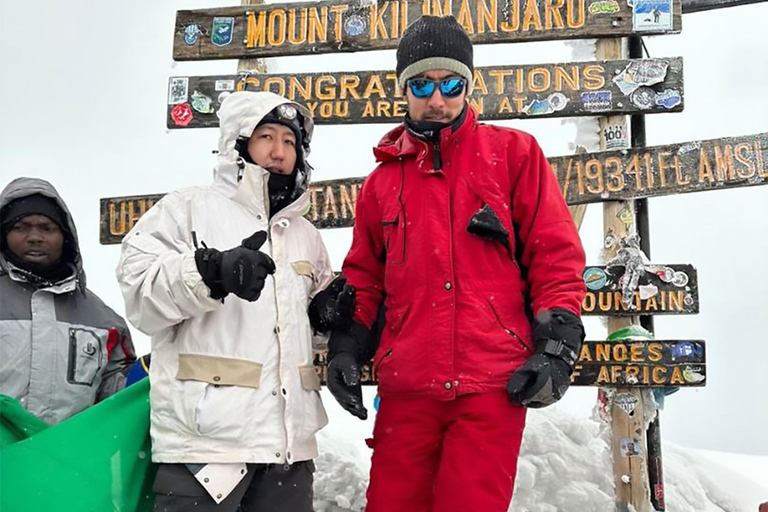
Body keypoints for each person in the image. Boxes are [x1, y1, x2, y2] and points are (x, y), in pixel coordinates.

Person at [325, 16, 587, 512]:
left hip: (490, 386)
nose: (437, 99)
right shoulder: (381, 183)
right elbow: (365, 278)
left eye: (450, 84)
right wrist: (346, 350)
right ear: (404, 90)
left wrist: (556, 346)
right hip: (408, 390)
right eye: (422, 85)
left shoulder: (514, 155)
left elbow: (554, 256)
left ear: (468, 86)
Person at [116, 90, 354, 512]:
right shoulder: (187, 209)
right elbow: (139, 293)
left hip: (290, 452)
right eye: (266, 137)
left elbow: (303, 338)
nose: (279, 151)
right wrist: (210, 272)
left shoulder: (306, 234)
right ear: (237, 143)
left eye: (289, 142)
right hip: (207, 446)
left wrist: (322, 317)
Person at [0, 177, 135, 425]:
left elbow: (116, 398)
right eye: (20, 227)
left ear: (65, 237)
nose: (35, 237)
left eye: (47, 228)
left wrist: (148, 373)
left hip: (65, 458)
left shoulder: (104, 320)